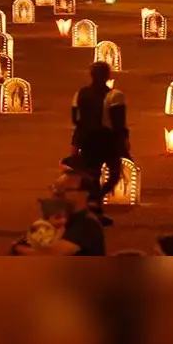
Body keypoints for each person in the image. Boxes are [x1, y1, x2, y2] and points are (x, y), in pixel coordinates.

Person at [66, 62, 130, 226]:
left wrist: (76, 143)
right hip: (107, 139)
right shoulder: (116, 96)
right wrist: (124, 141)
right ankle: (97, 200)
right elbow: (118, 122)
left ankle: (94, 208)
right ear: (108, 76)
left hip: (86, 139)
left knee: (93, 175)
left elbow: (76, 120)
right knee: (115, 173)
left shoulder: (79, 94)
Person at [15, 171, 106, 255]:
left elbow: (47, 255)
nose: (56, 194)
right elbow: (34, 242)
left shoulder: (87, 224)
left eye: (65, 190)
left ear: (85, 194)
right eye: (55, 189)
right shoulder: (63, 221)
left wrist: (17, 247)